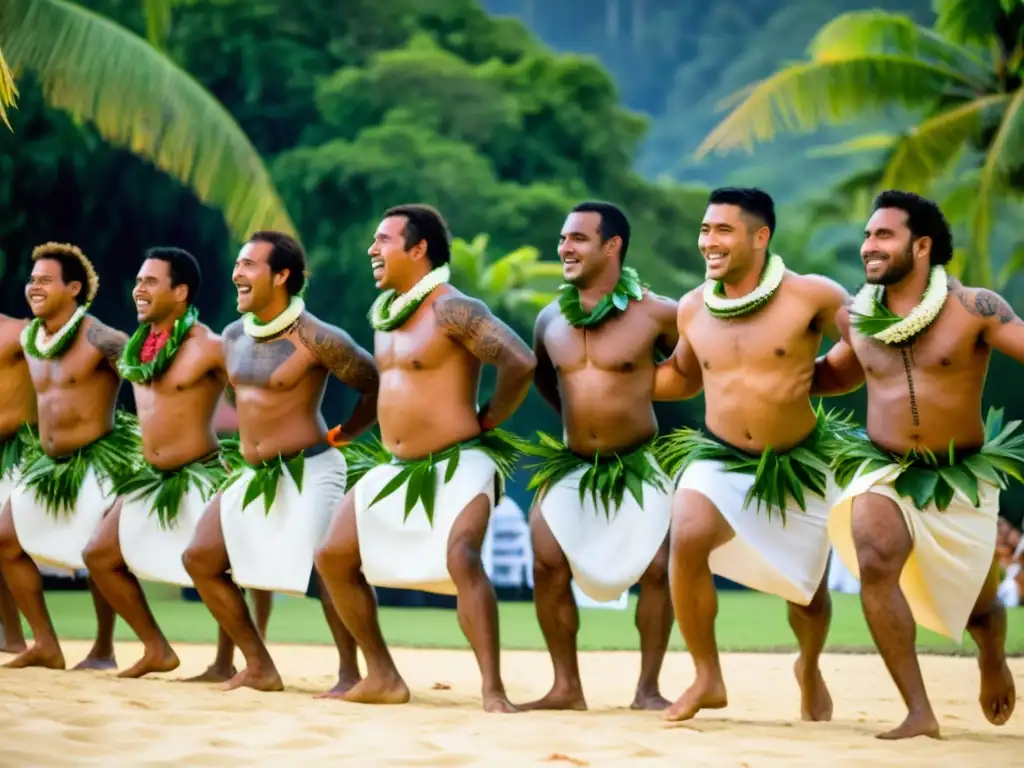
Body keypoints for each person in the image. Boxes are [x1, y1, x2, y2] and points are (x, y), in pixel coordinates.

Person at [813, 190, 1021, 739]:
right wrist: (770, 370)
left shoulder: (976, 308)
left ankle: (992, 657)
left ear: (922, 245)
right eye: (866, 235)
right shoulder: (857, 317)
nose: (868, 246)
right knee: (874, 551)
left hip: (962, 476)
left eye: (884, 235)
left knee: (981, 609)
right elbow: (835, 375)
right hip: (885, 468)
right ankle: (918, 709)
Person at [314, 204, 534, 713]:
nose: (373, 249)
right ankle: (383, 674)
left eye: (384, 240)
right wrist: (350, 430)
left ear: (418, 250)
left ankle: (493, 691)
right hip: (396, 468)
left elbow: (519, 360)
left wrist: (489, 419)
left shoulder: (453, 309)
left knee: (461, 558)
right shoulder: (387, 315)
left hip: (459, 461)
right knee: (332, 556)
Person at [652, 187, 853, 723]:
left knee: (805, 594)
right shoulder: (694, 306)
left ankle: (808, 667)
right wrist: (617, 379)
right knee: (687, 534)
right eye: (704, 230)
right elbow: (683, 376)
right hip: (718, 456)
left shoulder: (814, 295)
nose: (708, 242)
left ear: (760, 237)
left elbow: (867, 345)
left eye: (722, 230)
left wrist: (821, 380)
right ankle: (706, 677)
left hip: (797, 459)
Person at [182, 231, 380, 692]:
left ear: (282, 275)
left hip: (310, 467)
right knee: (201, 558)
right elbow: (241, 394)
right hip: (255, 474)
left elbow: (374, 383)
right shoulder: (233, 335)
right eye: (237, 264)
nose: (237, 273)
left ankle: (352, 673)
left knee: (327, 571)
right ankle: (259, 665)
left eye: (249, 265)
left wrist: (348, 432)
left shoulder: (319, 337)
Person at [81, 247, 271, 680]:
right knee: (99, 556)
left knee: (230, 568)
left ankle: (237, 662)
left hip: (202, 471)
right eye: (138, 281)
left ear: (180, 291)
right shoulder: (138, 349)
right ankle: (156, 649)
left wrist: (259, 453)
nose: (138, 289)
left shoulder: (208, 346)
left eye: (150, 281)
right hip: (152, 477)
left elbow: (258, 393)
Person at [520, 201, 678, 711]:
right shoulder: (550, 319)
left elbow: (699, 366)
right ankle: (566, 686)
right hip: (573, 463)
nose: (565, 248)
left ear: (612, 246)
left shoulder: (658, 313)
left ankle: (648, 689)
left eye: (578, 239)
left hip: (637, 458)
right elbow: (547, 381)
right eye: (563, 238)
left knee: (657, 567)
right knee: (546, 560)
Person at [0, 243, 136, 669]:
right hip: (48, 462)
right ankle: (45, 643)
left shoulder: (102, 336)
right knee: (5, 538)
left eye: (45, 280)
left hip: (100, 457)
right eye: (32, 280)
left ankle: (104, 649)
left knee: (99, 553)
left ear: (73, 287)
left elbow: (149, 382)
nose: (34, 287)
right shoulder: (30, 338)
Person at [0, 311, 36, 655]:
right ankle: (10, 637)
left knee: (6, 542)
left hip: (18, 452)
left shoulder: (20, 332)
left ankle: (102, 647)